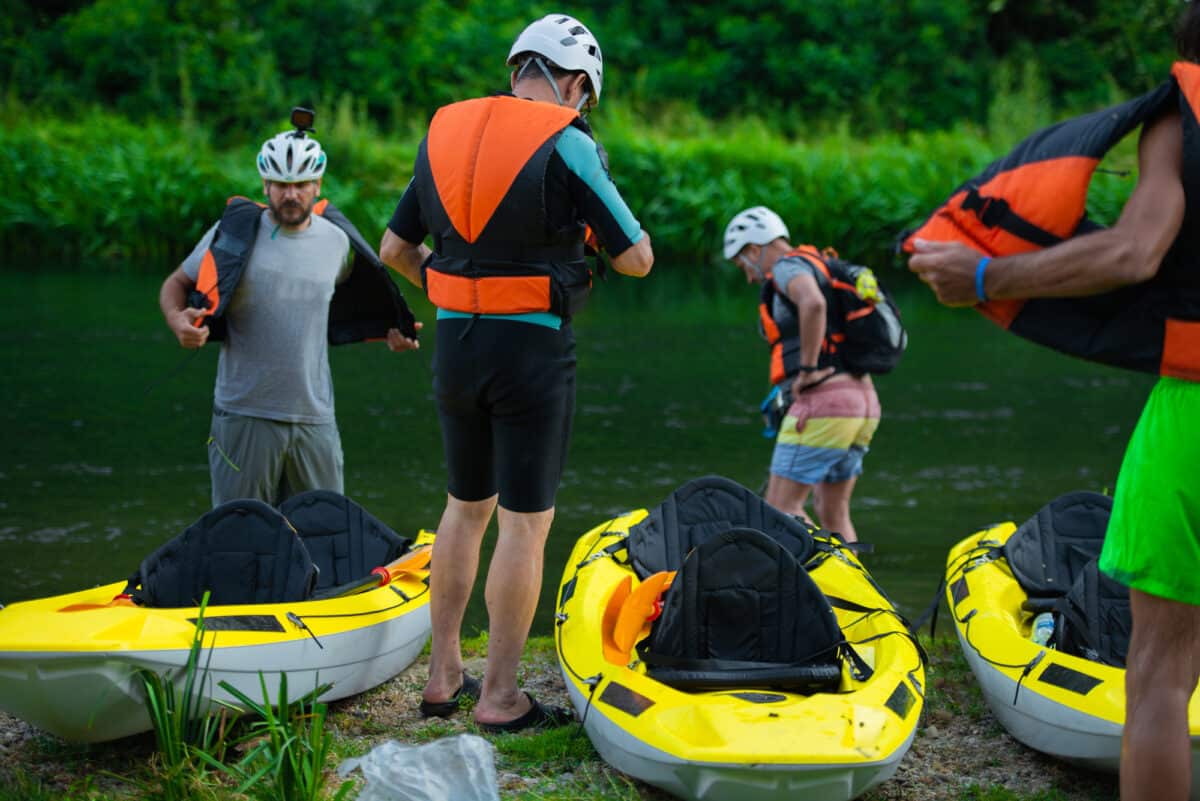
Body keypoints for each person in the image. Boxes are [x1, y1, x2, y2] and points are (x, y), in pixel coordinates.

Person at [909, 9, 1200, 798]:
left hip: (1194, 414)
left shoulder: (1181, 119)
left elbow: (1136, 251)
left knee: (1162, 673)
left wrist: (982, 278)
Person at [379, 14, 653, 731]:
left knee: (464, 507)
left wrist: (455, 291)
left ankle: (444, 677)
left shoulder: (442, 135)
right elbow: (635, 258)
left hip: (455, 346)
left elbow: (393, 249)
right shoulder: (568, 141)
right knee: (525, 525)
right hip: (530, 353)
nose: (581, 107)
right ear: (571, 83)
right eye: (584, 95)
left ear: (516, 68)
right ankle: (501, 697)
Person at [160, 110, 419, 508]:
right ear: (265, 184)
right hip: (244, 414)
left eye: (300, 184)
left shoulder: (337, 244)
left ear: (317, 184)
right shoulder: (232, 235)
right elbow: (175, 284)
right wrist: (179, 322)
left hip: (315, 418)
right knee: (240, 533)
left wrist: (389, 329)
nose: (291, 194)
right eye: (281, 184)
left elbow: (343, 305)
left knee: (323, 532)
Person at [723, 206, 880, 543]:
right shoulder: (821, 264)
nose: (749, 277)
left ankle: (810, 588)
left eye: (743, 265)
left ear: (754, 248)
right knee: (833, 512)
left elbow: (813, 304)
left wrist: (807, 370)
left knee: (779, 508)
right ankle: (852, 594)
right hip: (862, 403)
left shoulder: (786, 267)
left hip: (824, 404)